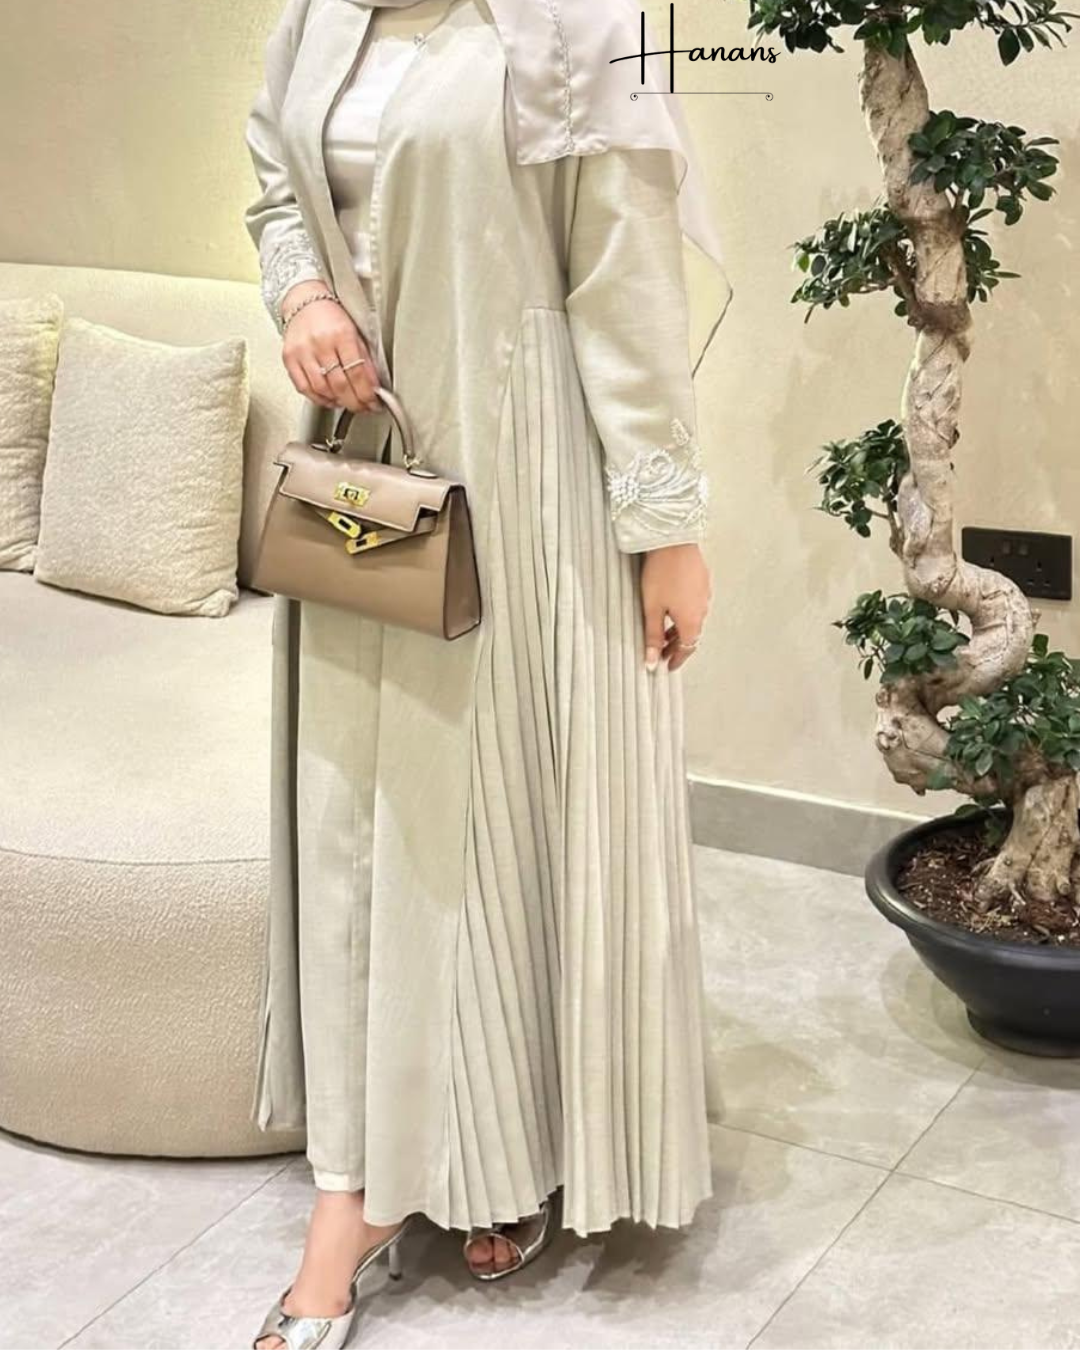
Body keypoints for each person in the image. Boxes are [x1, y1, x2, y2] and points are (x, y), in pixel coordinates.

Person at [243, 1, 733, 1346]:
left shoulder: (582, 25)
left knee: (506, 824)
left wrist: (666, 528)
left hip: (529, 482)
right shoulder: (316, 18)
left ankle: (503, 1145)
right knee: (371, 829)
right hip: (367, 477)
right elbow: (276, 183)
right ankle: (358, 1185)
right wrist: (303, 297)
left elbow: (628, 280)